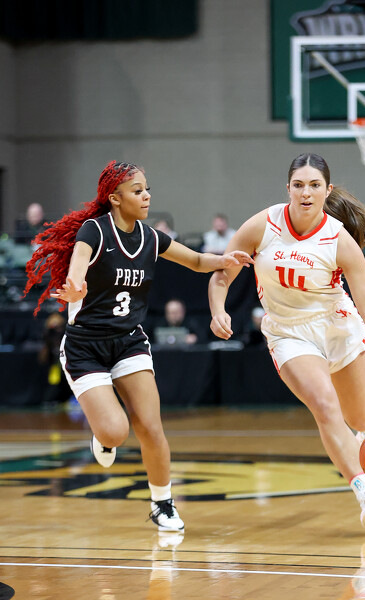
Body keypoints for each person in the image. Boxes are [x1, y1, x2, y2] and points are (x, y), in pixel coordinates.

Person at [23, 160, 253, 533]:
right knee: (116, 432)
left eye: (147, 189)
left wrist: (223, 260)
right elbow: (77, 271)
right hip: (85, 347)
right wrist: (75, 288)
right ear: (115, 198)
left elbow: (196, 260)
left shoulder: (151, 237)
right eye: (137, 190)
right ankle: (104, 435)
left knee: (150, 426)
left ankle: (162, 503)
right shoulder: (94, 231)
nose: (146, 196)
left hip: (129, 341)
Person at [208, 153, 365, 532]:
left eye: (314, 185)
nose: (306, 192)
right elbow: (223, 271)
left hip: (337, 327)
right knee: (324, 405)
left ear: (327, 190)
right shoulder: (263, 225)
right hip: (288, 332)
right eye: (299, 185)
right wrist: (217, 308)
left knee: (358, 417)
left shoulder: (340, 239)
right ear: (287, 188)